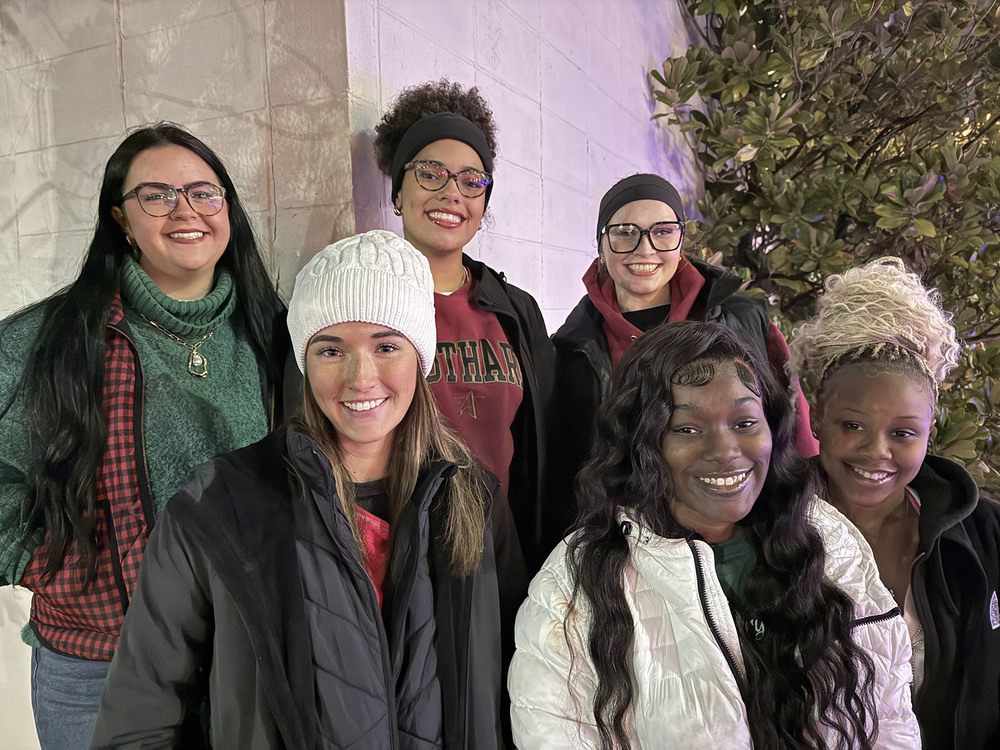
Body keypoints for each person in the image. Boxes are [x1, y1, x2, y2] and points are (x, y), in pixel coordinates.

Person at [91, 230, 526, 748]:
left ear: (421, 356)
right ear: (303, 361)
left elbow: (516, 685)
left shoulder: (472, 498)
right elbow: (139, 719)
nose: (360, 378)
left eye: (386, 346)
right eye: (330, 349)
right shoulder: (221, 505)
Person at [0, 123, 286, 749]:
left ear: (228, 211)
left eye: (205, 193)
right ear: (121, 220)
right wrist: (37, 561)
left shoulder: (272, 335)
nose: (185, 210)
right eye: (156, 195)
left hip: (242, 656)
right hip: (96, 667)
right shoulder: (51, 340)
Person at [510, 321, 919, 749]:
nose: (725, 452)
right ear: (641, 441)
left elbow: (890, 720)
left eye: (744, 422)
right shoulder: (572, 586)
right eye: (687, 429)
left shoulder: (830, 542)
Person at [788, 257, 1000, 748]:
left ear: (929, 432)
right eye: (852, 426)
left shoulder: (985, 536)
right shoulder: (771, 529)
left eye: (902, 433)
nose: (876, 451)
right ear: (817, 419)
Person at [546, 173, 818, 546]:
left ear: (680, 240)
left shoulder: (742, 319)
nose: (645, 249)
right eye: (625, 232)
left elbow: (793, 425)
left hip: (741, 531)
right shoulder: (570, 347)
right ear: (601, 245)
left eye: (662, 231)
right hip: (627, 543)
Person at [373, 79, 554, 571]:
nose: (452, 193)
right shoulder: (365, 305)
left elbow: (542, 450)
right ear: (397, 192)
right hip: (398, 559)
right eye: (430, 173)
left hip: (503, 558)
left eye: (472, 180)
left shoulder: (516, 313)